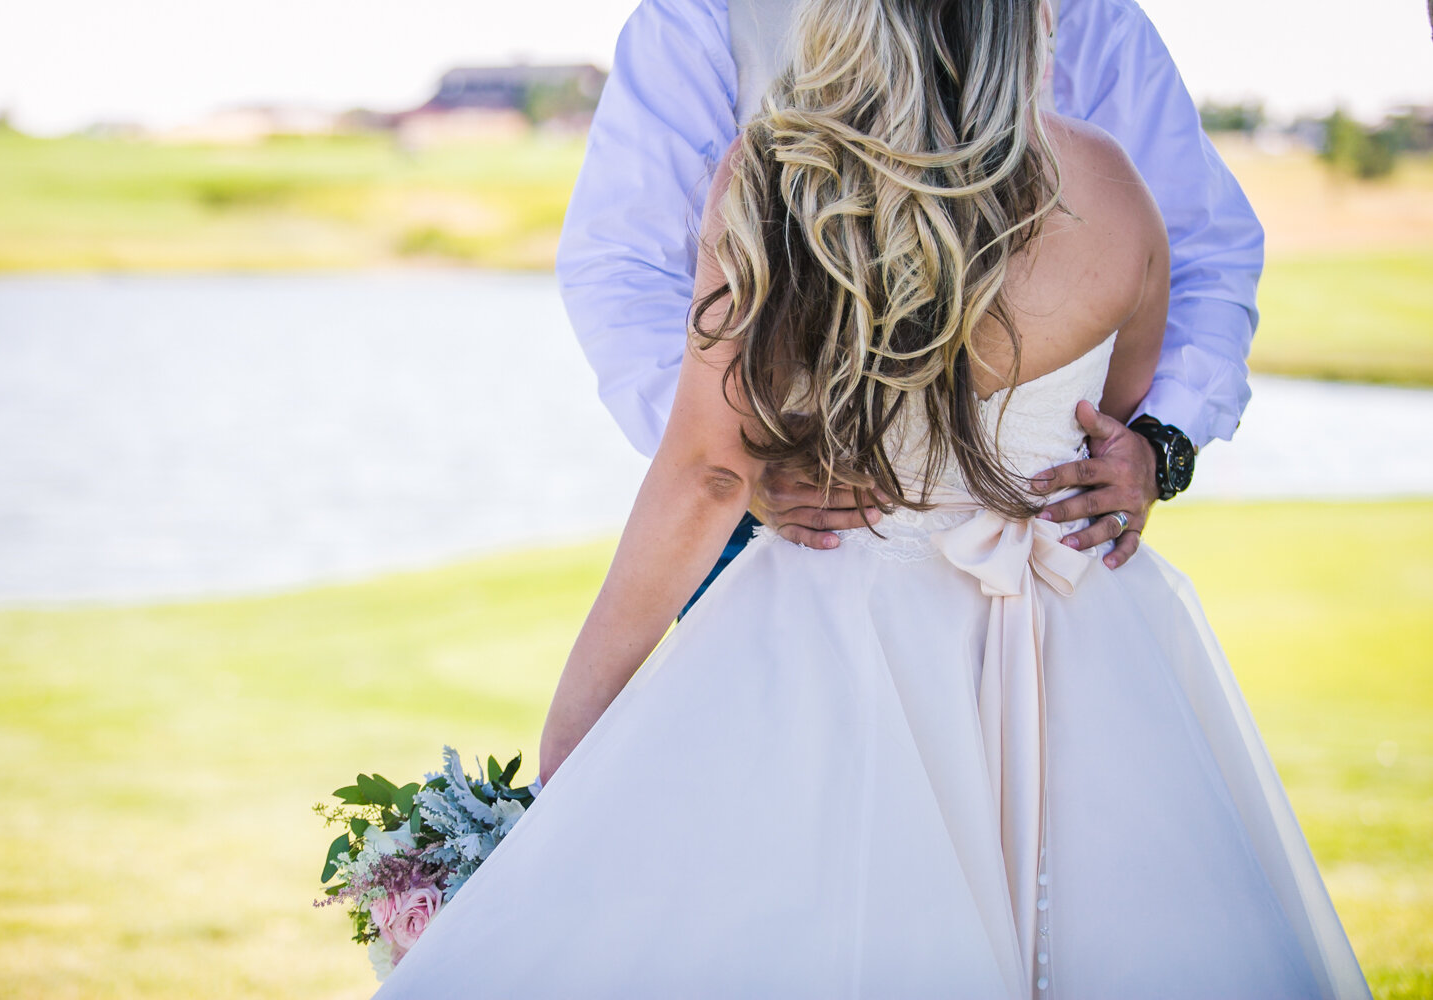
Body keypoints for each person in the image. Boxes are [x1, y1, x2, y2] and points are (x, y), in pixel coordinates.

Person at [372, 1, 1370, 996]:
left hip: (831, 596)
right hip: (1074, 623)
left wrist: (570, 762)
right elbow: (1104, 403)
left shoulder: (771, 178)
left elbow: (706, 469)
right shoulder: (1110, 186)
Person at [556, 0, 1264, 610]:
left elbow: (1204, 248)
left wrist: (1162, 441)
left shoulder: (1097, 19)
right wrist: (741, 461)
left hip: (1046, 567)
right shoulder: (701, 14)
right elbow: (623, 265)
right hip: (786, 526)